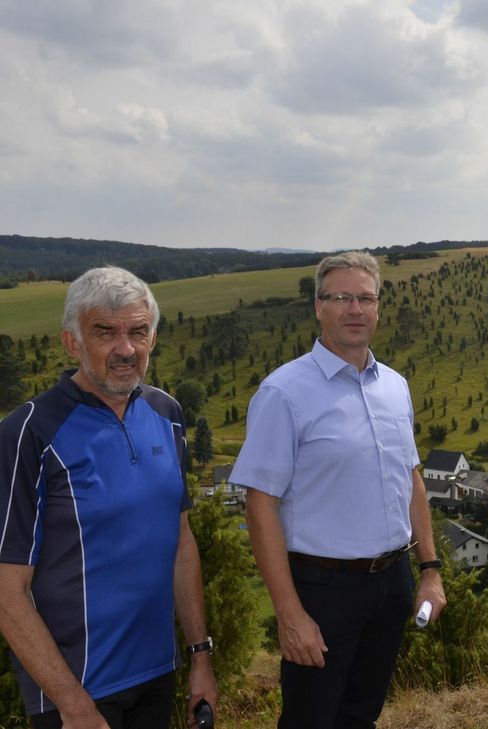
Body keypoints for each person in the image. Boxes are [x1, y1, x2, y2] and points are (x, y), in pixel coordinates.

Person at [231, 251, 445, 729]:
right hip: (322, 590)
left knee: (361, 715)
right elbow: (260, 505)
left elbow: (411, 478)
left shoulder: (395, 387)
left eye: (365, 298)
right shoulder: (284, 393)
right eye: (341, 298)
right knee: (310, 719)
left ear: (378, 307)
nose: (355, 309)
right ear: (318, 306)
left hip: (392, 582)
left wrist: (429, 570)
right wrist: (289, 613)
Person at [0, 266, 218, 729]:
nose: (126, 349)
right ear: (72, 342)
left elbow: (180, 542)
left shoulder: (166, 413)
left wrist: (200, 657)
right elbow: (7, 591)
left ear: (152, 337)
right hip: (77, 691)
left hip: (157, 674)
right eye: (105, 332)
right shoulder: (29, 432)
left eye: (138, 332)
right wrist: (74, 706)